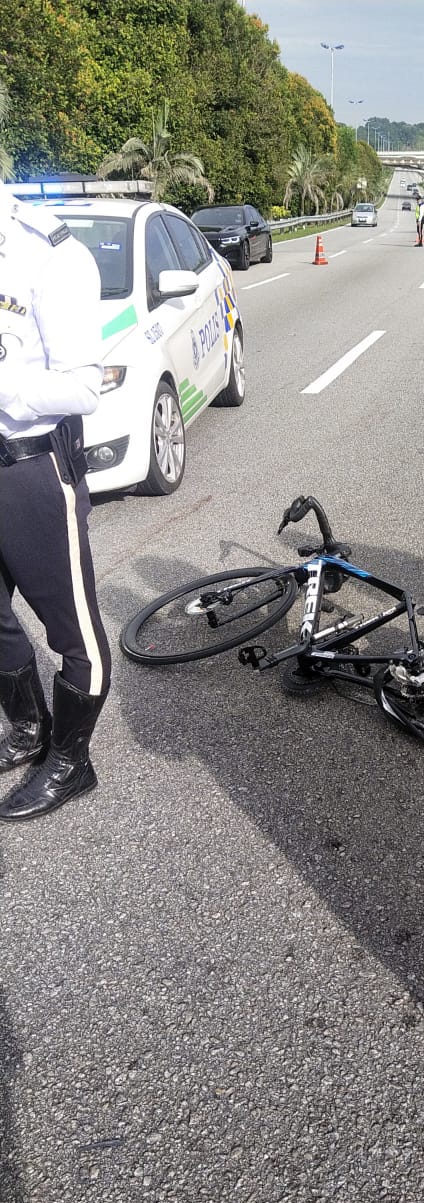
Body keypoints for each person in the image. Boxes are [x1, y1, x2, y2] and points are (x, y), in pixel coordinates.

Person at [0, 184, 110, 822]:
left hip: (31, 468)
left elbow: (82, 388)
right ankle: (27, 729)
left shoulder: (49, 253)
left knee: (74, 632)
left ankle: (71, 761)